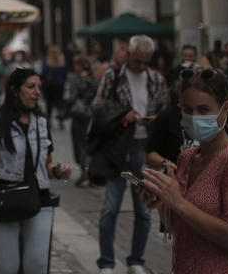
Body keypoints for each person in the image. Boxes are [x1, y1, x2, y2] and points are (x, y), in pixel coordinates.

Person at [139, 68, 228, 274]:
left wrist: (178, 202)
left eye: (204, 110)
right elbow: (180, 230)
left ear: (225, 108)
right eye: (187, 109)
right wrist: (161, 202)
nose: (194, 118)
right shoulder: (187, 157)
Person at [0, 67, 71, 274]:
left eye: (39, 87)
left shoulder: (42, 123)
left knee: (36, 265)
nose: (37, 92)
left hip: (38, 198)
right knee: (7, 267)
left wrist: (59, 171)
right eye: (30, 87)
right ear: (15, 91)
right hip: (2, 197)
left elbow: (47, 165)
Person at [92, 34, 168, 274]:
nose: (142, 66)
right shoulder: (113, 77)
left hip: (146, 150)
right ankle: (106, 262)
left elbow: (165, 114)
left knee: (144, 210)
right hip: (120, 150)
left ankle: (136, 261)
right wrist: (122, 116)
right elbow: (98, 109)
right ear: (129, 56)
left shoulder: (156, 79)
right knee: (110, 208)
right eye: (138, 61)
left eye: (146, 61)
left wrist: (154, 121)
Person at [67, 54, 99, 186]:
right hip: (92, 115)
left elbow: (72, 97)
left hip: (79, 115)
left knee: (78, 141)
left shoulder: (76, 80)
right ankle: (91, 171)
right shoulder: (94, 80)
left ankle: (83, 171)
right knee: (90, 142)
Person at [41, 45, 68, 128]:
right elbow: (65, 74)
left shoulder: (47, 62)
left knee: (49, 104)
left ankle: (49, 121)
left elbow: (43, 73)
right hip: (59, 85)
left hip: (49, 85)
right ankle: (61, 120)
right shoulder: (62, 62)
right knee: (59, 103)